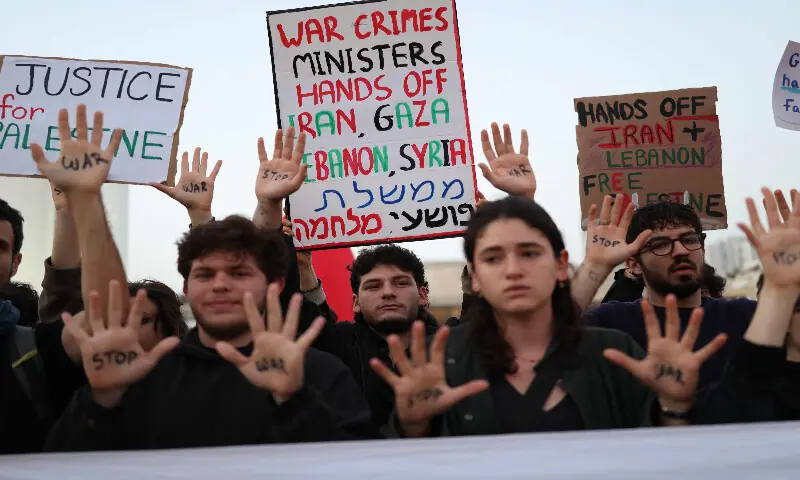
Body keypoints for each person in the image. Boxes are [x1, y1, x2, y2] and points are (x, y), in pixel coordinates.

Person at [35, 106, 370, 450]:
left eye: (239, 273)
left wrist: (294, 402)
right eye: (205, 274)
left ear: (276, 285)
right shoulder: (141, 377)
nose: (220, 284)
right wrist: (100, 403)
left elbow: (360, 464)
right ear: (186, 287)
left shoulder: (317, 373)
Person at [370, 127, 726, 438]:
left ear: (560, 266)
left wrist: (673, 408)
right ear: (474, 278)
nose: (513, 270)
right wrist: (412, 427)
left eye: (529, 253)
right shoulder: (442, 360)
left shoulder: (614, 353)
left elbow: (664, 460)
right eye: (493, 258)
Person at [580, 201, 756, 388]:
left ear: (703, 250)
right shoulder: (611, 322)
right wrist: (595, 266)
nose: (681, 251)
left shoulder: (744, 316)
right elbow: (550, 339)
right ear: (634, 265)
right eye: (660, 244)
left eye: (689, 240)